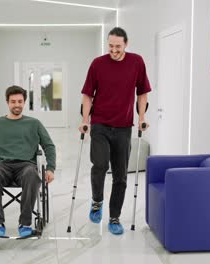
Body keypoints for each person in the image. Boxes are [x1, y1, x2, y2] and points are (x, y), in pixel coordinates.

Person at [79, 27, 151, 235]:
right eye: (110, 46)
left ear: (126, 44)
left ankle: (114, 217)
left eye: (118, 46)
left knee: (120, 175)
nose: (114, 50)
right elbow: (87, 95)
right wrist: (85, 120)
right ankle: (97, 201)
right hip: (100, 123)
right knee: (99, 165)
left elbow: (142, 92)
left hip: (123, 127)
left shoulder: (136, 62)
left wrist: (142, 118)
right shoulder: (98, 64)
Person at [0, 85, 56, 237]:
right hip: (2, 165)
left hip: (26, 165)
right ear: (7, 102)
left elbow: (49, 146)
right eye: (13, 101)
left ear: (24, 102)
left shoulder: (34, 123)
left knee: (32, 175)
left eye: (20, 101)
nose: (17, 105)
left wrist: (51, 168)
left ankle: (25, 224)